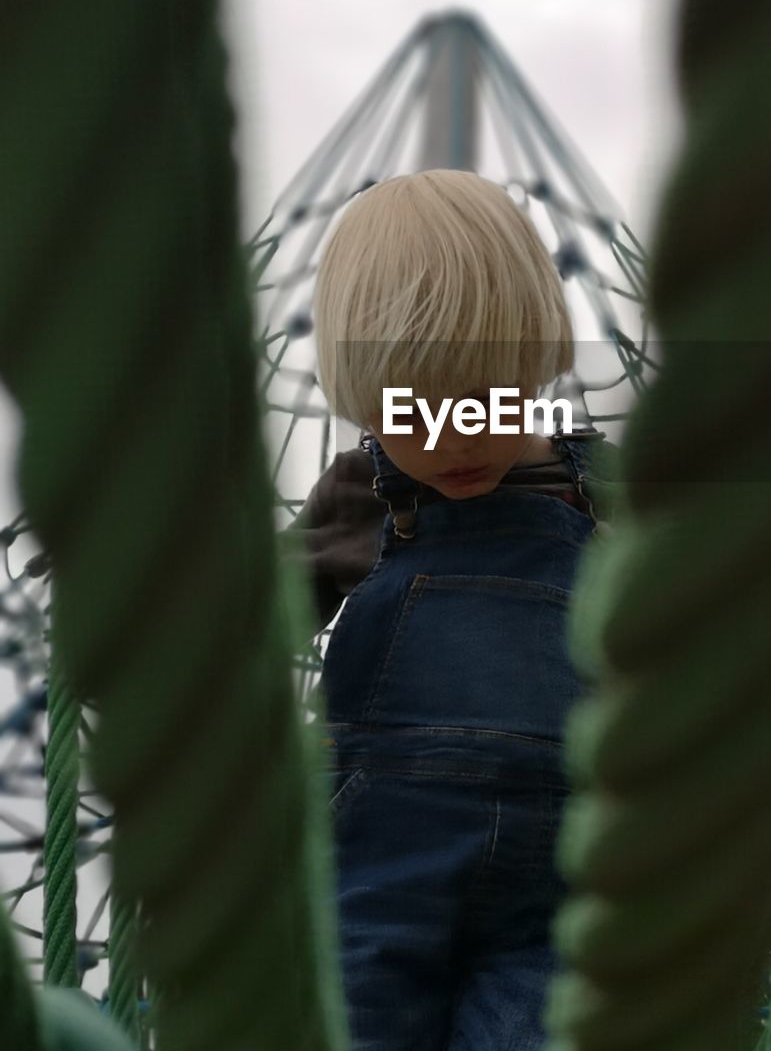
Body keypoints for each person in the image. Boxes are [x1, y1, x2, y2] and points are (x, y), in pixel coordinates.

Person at [287, 169, 618, 1051]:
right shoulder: (365, 495)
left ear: (537, 360)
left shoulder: (610, 492)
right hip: (383, 856)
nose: (452, 438)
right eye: (413, 413)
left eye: (480, 397)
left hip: (568, 870)